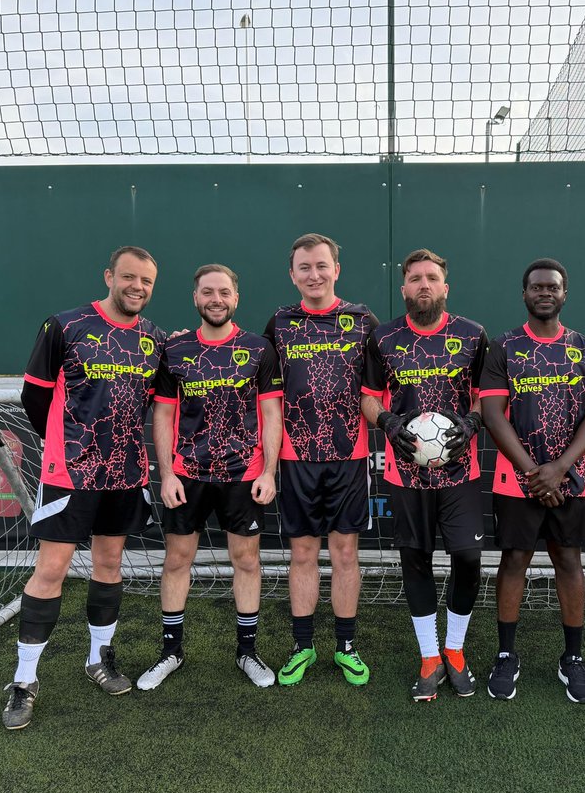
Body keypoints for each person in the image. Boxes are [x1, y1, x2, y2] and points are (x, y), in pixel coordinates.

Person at [4, 246, 164, 730]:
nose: (137, 287)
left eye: (147, 282)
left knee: (109, 564)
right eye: (129, 278)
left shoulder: (154, 339)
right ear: (109, 276)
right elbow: (34, 394)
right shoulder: (65, 326)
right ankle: (25, 680)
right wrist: (65, 444)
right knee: (51, 569)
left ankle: (99, 659)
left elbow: (152, 402)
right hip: (70, 473)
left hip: (126, 472)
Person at [137, 264, 283, 691]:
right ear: (195, 298)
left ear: (236, 298)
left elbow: (273, 413)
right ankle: (171, 652)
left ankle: (247, 652)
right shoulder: (175, 349)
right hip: (188, 474)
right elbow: (162, 414)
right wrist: (166, 474)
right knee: (177, 561)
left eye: (223, 292)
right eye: (207, 292)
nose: (215, 299)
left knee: (247, 562)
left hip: (245, 475)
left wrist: (269, 471)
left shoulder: (259, 348)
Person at [479, 258, 585, 703]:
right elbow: (494, 415)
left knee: (569, 562)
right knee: (514, 560)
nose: (544, 292)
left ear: (564, 293)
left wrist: (559, 469)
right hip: (518, 479)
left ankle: (572, 658)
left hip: (572, 476)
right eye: (536, 287)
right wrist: (535, 473)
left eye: (552, 286)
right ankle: (505, 654)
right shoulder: (504, 347)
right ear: (524, 294)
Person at [361, 249, 490, 701]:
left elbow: (486, 396)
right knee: (415, 561)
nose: (423, 285)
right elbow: (370, 396)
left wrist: (473, 423)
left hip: (461, 474)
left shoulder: (472, 336)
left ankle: (455, 650)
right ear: (404, 288)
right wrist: (388, 423)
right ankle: (430, 657)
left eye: (431, 277)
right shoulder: (384, 337)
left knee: (467, 561)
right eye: (414, 278)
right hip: (405, 476)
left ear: (445, 286)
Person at [264, 233, 379, 686]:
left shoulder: (363, 320)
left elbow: (384, 381)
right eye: (304, 268)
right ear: (292, 274)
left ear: (337, 270)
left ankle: (346, 647)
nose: (314, 275)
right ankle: (302, 647)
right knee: (303, 552)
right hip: (296, 458)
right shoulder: (280, 322)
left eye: (322, 266)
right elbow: (253, 370)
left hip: (349, 455)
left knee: (346, 551)